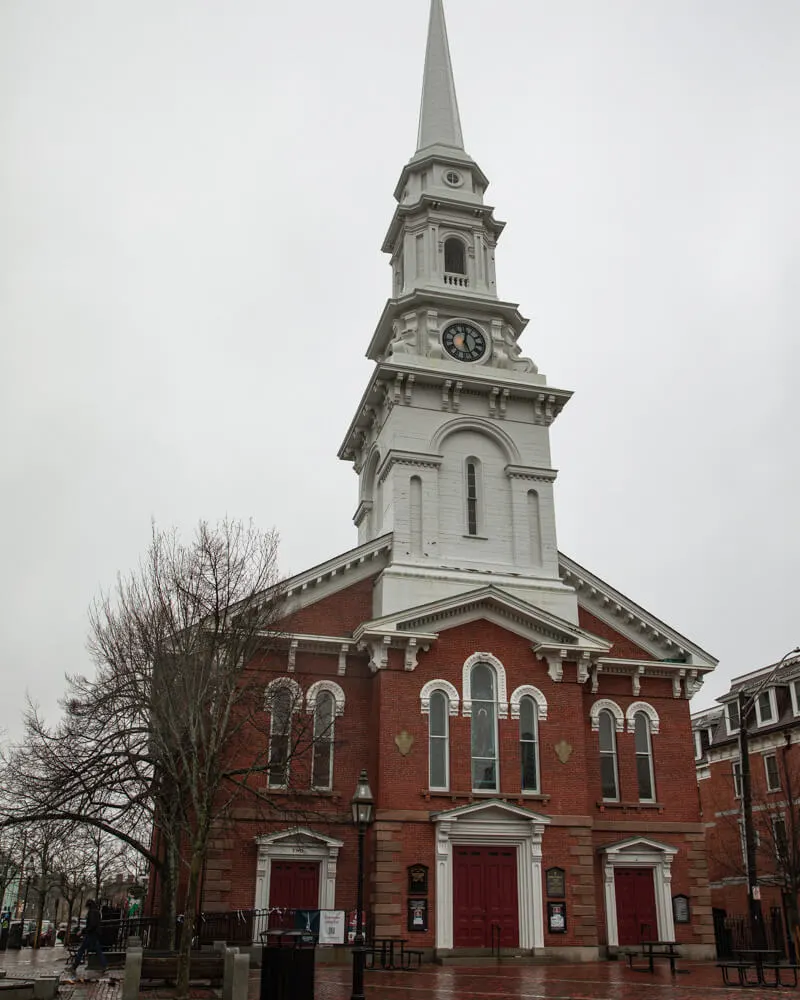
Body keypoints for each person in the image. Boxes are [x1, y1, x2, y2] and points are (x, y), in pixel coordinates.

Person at [69, 900, 107, 975]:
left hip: (91, 934)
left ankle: (74, 966)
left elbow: (91, 925)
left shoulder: (92, 912)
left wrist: (82, 931)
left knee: (81, 950)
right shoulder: (97, 912)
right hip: (95, 934)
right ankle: (104, 965)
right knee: (98, 950)